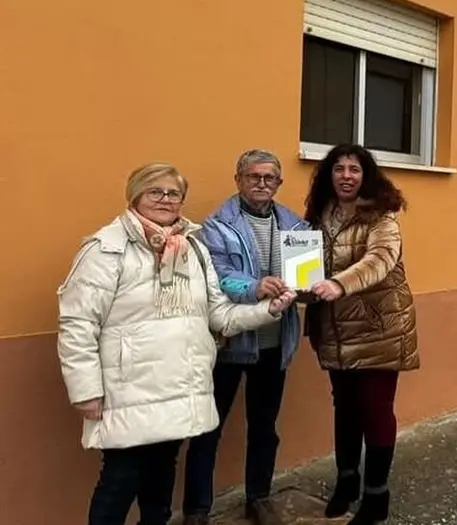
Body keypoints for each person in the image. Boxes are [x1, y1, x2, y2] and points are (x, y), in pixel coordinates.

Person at [57, 163, 297, 525]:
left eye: (173, 193)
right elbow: (77, 325)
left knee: (160, 484)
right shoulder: (106, 249)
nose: (166, 200)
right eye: (156, 191)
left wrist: (268, 310)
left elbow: (219, 314)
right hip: (129, 390)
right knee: (119, 482)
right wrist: (85, 390)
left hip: (179, 387)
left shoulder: (193, 249)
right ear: (135, 195)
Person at [182, 150, 309, 525]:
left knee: (264, 428)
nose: (262, 184)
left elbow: (306, 275)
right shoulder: (216, 227)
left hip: (274, 343)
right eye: (254, 177)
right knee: (208, 429)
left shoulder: (295, 226)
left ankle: (259, 497)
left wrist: (311, 286)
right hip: (230, 344)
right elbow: (217, 278)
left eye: (270, 178)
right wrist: (255, 286)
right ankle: (197, 510)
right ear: (238, 179)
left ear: (279, 184)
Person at [303, 144, 420, 525]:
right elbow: (307, 266)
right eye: (339, 169)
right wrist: (297, 286)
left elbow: (380, 261)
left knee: (375, 410)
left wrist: (339, 284)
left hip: (378, 328)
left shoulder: (382, 218)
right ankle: (347, 482)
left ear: (366, 176)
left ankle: (376, 497)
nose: (347, 176)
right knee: (345, 408)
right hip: (335, 329)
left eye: (354, 169)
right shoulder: (321, 216)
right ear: (329, 175)